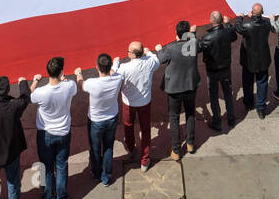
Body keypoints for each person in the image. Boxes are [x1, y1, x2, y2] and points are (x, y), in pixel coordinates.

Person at [30, 57, 76, 199]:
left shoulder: (41, 92)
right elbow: (71, 85)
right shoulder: (70, 86)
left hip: (45, 134)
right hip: (63, 132)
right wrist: (64, 80)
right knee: (61, 166)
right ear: (61, 72)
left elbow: (30, 95)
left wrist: (36, 80)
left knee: (45, 167)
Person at [157, 20, 201, 160]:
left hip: (175, 89)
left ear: (176, 33)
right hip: (190, 86)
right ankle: (190, 143)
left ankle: (176, 150)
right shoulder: (194, 45)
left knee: (174, 117)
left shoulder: (171, 48)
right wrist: (193, 34)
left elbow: (161, 59)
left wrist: (158, 49)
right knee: (190, 113)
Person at [78, 54, 123, 185]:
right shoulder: (118, 78)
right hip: (112, 117)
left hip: (96, 121)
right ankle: (106, 177)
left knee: (95, 148)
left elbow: (81, 84)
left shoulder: (92, 83)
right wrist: (115, 63)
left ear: (97, 67)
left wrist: (78, 73)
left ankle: (96, 173)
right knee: (108, 147)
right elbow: (114, 72)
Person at [116, 41, 159, 171]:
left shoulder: (124, 67)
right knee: (145, 130)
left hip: (129, 103)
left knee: (128, 127)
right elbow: (156, 58)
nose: (127, 53)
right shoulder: (150, 62)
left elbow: (114, 76)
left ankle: (131, 149)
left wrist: (115, 62)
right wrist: (149, 52)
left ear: (134, 54)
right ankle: (145, 160)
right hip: (145, 102)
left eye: (129, 51)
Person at [198, 11, 238, 129]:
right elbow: (234, 36)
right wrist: (229, 24)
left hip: (212, 71)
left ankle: (217, 120)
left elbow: (195, 48)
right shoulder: (227, 32)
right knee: (228, 94)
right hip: (225, 69)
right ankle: (231, 118)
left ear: (211, 21)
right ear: (222, 20)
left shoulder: (207, 37)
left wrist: (192, 34)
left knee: (214, 96)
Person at [235, 5, 273, 115]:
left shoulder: (246, 26)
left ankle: (248, 103)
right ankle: (261, 107)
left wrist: (240, 17)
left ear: (252, 12)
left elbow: (238, 27)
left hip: (249, 60)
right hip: (263, 59)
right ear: (262, 13)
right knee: (262, 82)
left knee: (247, 82)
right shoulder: (267, 24)